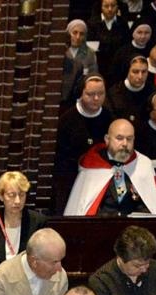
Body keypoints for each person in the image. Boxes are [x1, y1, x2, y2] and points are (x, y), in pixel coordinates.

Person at [63, 118, 156, 216]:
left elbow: (151, 207)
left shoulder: (142, 165)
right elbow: (83, 208)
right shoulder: (92, 167)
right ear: (107, 139)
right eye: (119, 138)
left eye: (129, 139)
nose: (125, 143)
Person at [53, 74, 110, 209]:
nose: (96, 98)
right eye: (90, 94)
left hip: (100, 179)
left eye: (100, 94)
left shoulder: (109, 118)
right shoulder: (66, 120)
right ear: (80, 93)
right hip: (70, 180)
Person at [0, 169, 45, 272]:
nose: (17, 201)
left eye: (22, 195)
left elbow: (43, 258)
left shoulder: (38, 222)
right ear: (1, 196)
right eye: (12, 195)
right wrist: (3, 276)